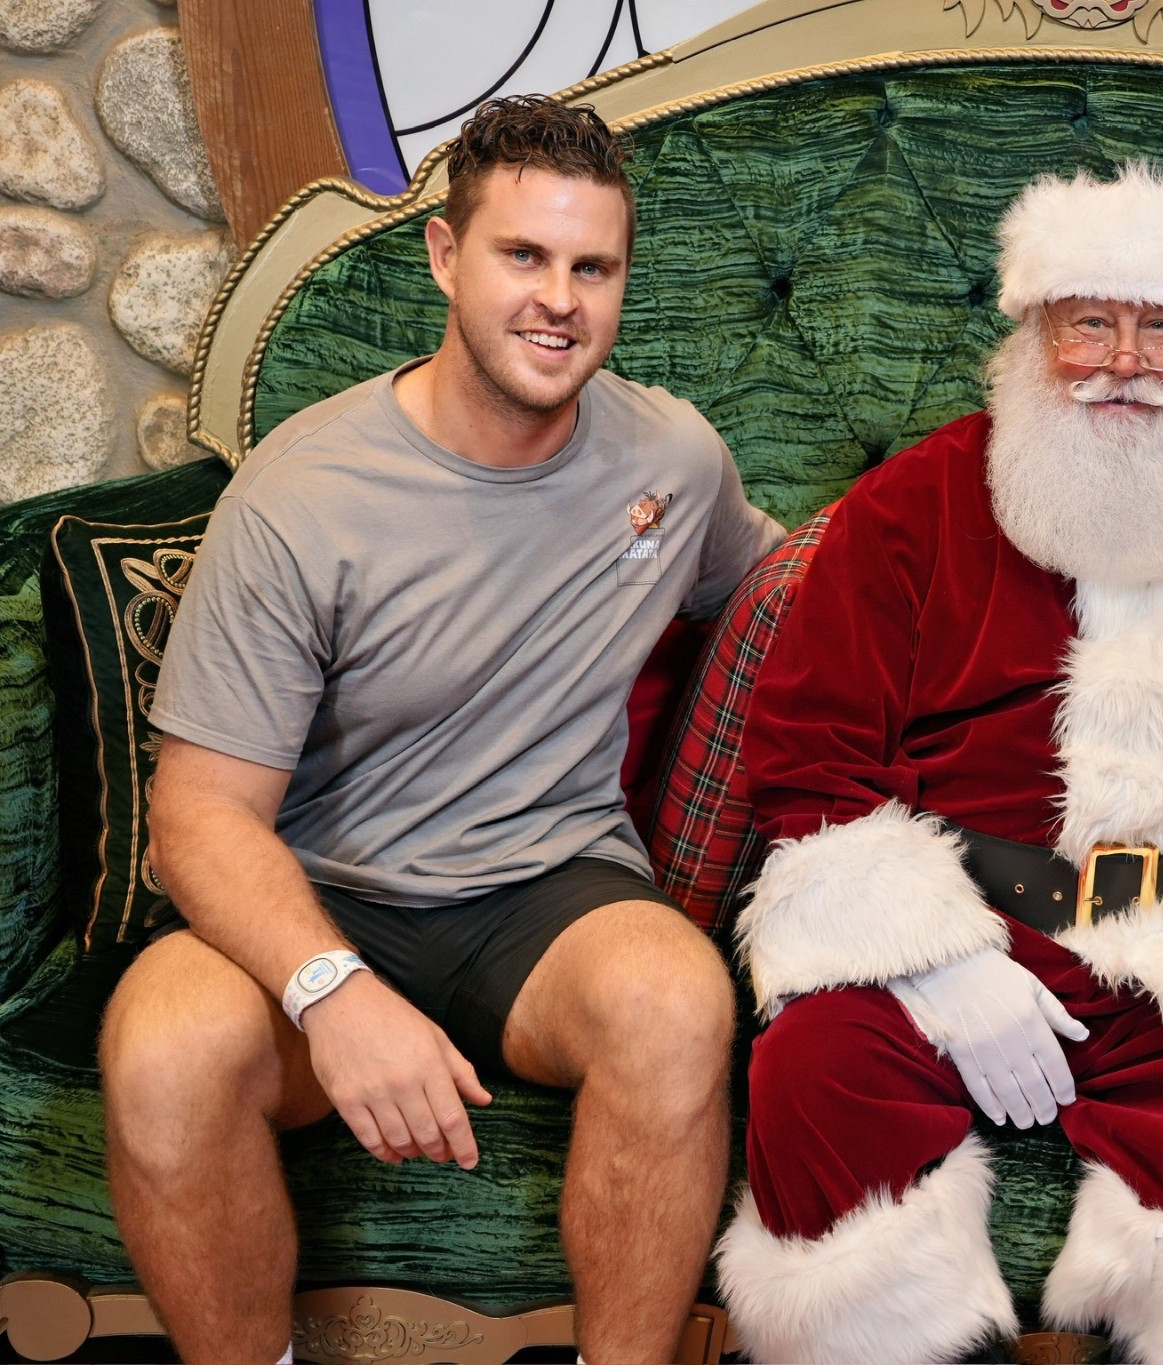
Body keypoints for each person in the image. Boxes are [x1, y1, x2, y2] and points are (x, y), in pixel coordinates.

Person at [97, 96, 785, 1364]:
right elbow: (198, 819)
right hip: (322, 893)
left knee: (676, 999)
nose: (558, 300)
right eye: (523, 256)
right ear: (443, 257)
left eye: (593, 267)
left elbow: (794, 598)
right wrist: (330, 989)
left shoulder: (672, 461)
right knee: (160, 1042)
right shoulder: (303, 495)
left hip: (549, 895)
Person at [718, 162, 1163, 1364]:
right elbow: (808, 768)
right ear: (1031, 334)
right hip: (952, 934)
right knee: (812, 1073)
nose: (1123, 363)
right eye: (1089, 325)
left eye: (1160, 330)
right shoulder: (909, 507)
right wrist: (940, 966)